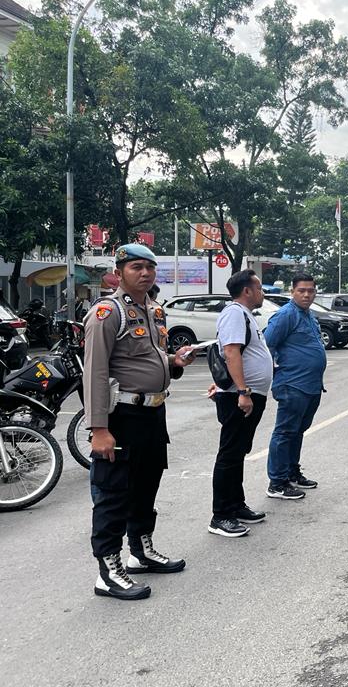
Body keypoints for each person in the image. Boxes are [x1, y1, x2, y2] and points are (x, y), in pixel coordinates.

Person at [84, 243, 196, 600]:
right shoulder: (107, 312)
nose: (145, 273)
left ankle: (140, 551)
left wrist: (173, 362)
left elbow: (151, 356)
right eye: (136, 267)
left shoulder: (154, 310)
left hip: (152, 413)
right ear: (119, 272)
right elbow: (96, 373)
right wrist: (99, 429)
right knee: (114, 495)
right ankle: (108, 570)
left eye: (150, 267)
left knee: (146, 487)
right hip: (122, 416)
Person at [208, 269, 275, 538]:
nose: (262, 294)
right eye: (258, 289)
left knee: (238, 452)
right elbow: (231, 351)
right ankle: (221, 515)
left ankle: (235, 504)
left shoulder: (244, 315)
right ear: (247, 291)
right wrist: (243, 391)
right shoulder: (235, 313)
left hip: (246, 393)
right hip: (240, 396)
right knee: (230, 453)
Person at [264, 273, 327, 500]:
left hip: (311, 386)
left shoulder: (309, 315)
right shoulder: (285, 315)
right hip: (292, 384)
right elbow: (266, 345)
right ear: (292, 291)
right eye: (302, 290)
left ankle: (291, 471)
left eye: (311, 290)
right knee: (285, 432)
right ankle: (277, 482)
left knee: (297, 431)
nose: (307, 294)